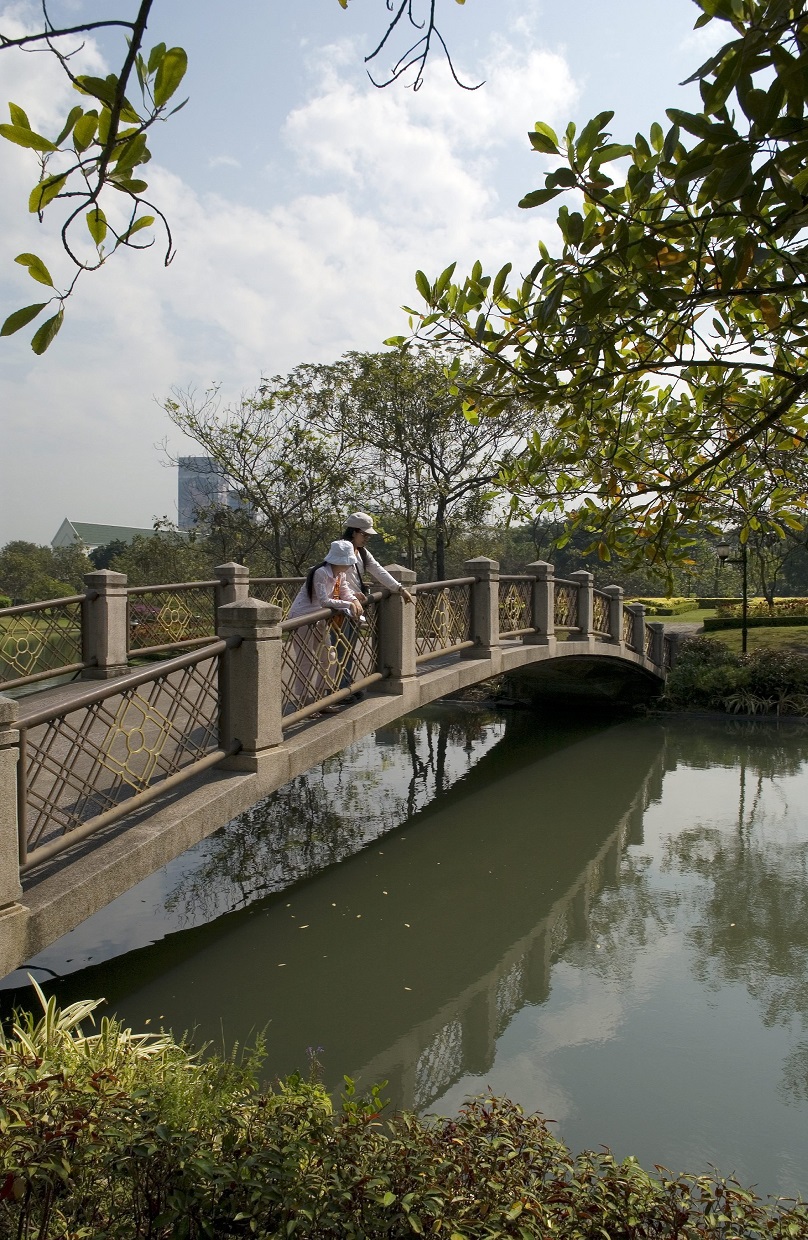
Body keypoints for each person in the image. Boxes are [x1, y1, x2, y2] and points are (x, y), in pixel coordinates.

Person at [337, 511, 415, 702]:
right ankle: (338, 689)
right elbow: (334, 576)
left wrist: (398, 588)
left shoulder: (361, 552)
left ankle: (345, 685)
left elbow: (377, 569)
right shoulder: (341, 549)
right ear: (353, 532)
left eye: (368, 536)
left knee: (348, 647)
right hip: (339, 606)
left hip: (354, 606)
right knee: (339, 648)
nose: (366, 539)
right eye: (364, 535)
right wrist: (348, 595)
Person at [285, 540, 364, 715]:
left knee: (329, 657)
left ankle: (321, 701)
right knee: (305, 660)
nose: (350, 565)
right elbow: (324, 600)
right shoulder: (320, 573)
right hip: (302, 618)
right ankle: (306, 704)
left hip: (319, 619)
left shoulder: (340, 574)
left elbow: (345, 591)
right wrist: (348, 604)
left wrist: (354, 600)